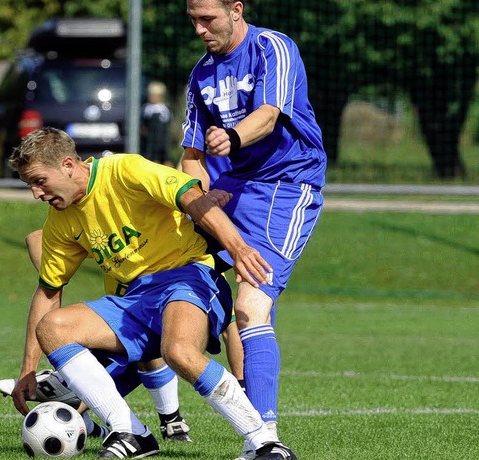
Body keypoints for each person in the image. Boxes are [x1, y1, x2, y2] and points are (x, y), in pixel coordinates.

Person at [8, 127, 296, 459]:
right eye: (29, 184)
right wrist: (28, 369)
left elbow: (192, 197)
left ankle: (264, 442)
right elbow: (48, 292)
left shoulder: (125, 170)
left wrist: (239, 249)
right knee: (53, 327)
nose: (35, 193)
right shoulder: (60, 220)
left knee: (178, 352)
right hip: (134, 299)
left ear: (69, 165)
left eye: (39, 180)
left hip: (189, 275)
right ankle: (131, 432)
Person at [181, 1, 327, 459]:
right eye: (193, 21)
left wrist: (234, 137)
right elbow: (190, 157)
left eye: (209, 19)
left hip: (287, 186)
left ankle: (264, 441)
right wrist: (195, 204)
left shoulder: (272, 47)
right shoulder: (200, 74)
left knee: (251, 304)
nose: (200, 29)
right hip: (233, 185)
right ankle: (96, 402)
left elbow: (268, 113)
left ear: (236, 10)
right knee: (164, 280)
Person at [0, 228, 193, 442]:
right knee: (100, 366)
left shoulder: (165, 224)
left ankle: (65, 393)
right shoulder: (94, 222)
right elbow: (36, 239)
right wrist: (56, 275)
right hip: (122, 312)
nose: (37, 193)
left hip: (171, 301)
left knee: (153, 340)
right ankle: (78, 407)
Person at [140, 81, 173, 166]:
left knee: (166, 159)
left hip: (163, 140)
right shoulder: (146, 108)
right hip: (150, 140)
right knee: (152, 160)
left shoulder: (165, 109)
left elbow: (168, 123)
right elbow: (144, 124)